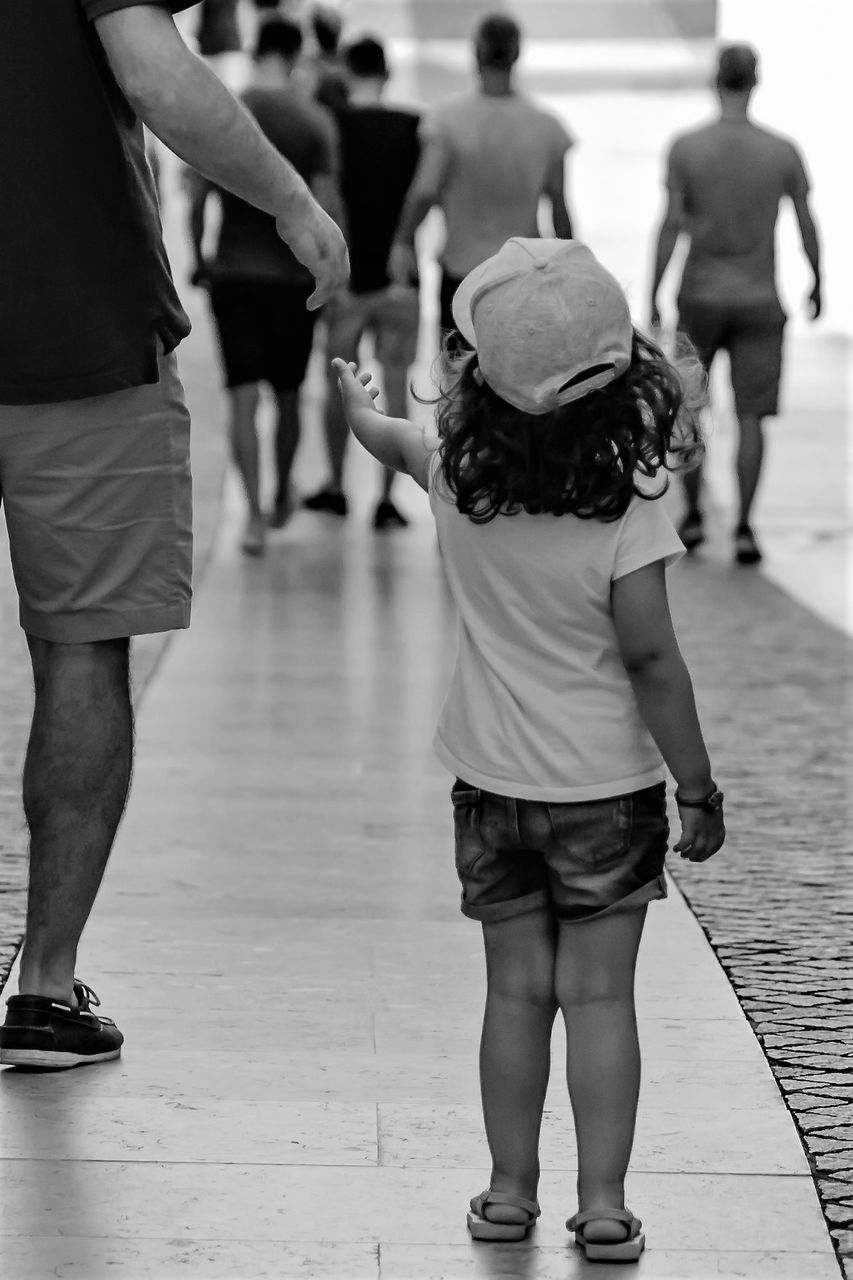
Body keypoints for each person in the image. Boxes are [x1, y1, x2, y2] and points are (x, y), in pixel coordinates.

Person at [332, 238, 725, 1261]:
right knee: (599, 998)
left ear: (481, 373)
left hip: (491, 787)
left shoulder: (459, 476)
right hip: (609, 790)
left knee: (513, 993)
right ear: (622, 366)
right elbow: (650, 655)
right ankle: (602, 1204)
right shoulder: (633, 498)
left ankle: (509, 1190)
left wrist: (358, 402)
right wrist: (698, 783)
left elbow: (391, 439)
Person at [0, 0, 347, 1071]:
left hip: (75, 330)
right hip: (75, 334)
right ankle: (43, 991)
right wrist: (294, 205)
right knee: (81, 649)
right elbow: (152, 74)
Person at [650, 43, 822, 566]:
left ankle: (695, 516)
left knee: (689, 410)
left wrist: (653, 289)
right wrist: (820, 279)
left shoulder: (687, 148)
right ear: (755, 81)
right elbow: (805, 221)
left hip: (700, 295)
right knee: (752, 418)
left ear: (714, 81)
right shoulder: (781, 150)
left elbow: (672, 224)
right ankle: (745, 527)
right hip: (759, 300)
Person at [189, 17, 342, 554]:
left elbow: (199, 194)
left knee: (242, 398)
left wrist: (201, 259)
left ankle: (252, 515)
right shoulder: (314, 120)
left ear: (257, 52)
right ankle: (280, 495)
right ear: (297, 56)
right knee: (290, 393)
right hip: (292, 280)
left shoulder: (228, 111)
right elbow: (325, 205)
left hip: (234, 272)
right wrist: (332, 269)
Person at [389, 12, 574, 336]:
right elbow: (559, 207)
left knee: (456, 380)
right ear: (516, 53)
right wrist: (571, 266)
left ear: (476, 53)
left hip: (462, 275)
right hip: (523, 274)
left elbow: (425, 191)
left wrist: (404, 240)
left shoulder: (446, 120)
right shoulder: (547, 127)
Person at [302, 36, 421, 529]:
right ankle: (389, 498)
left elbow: (326, 201)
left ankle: (336, 486)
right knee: (396, 386)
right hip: (401, 280)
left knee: (339, 387)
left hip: (348, 279)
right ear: (387, 73)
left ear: (347, 72)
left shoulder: (333, 128)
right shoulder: (415, 128)